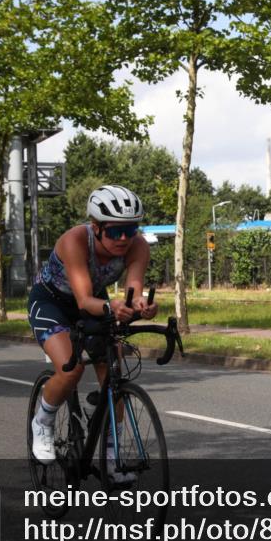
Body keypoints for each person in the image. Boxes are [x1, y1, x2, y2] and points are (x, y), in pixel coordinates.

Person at [27, 185, 157, 478]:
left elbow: (132, 290)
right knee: (70, 369)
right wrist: (113, 306)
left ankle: (112, 458)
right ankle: (43, 422)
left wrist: (141, 305)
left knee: (113, 374)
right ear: (96, 227)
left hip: (94, 304)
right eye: (114, 232)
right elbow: (84, 299)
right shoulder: (75, 240)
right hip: (53, 303)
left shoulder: (138, 245)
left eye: (131, 229)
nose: (124, 238)